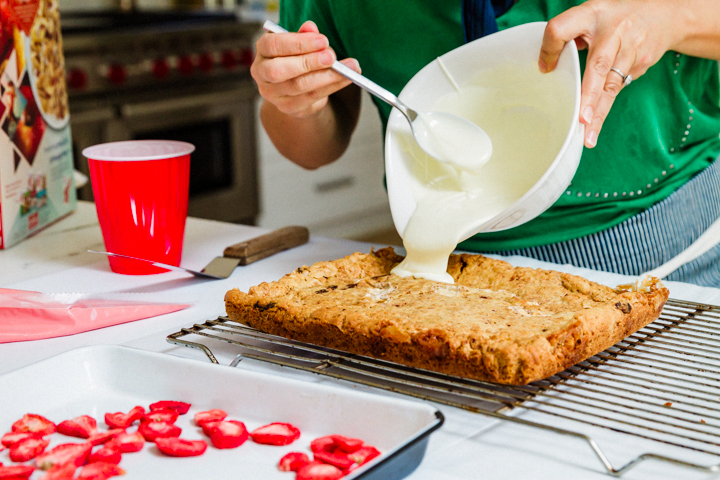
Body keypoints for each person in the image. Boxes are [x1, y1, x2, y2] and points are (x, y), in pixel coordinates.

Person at [250, 0, 720, 287]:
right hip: (452, 273)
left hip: (677, 257)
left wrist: (670, 18)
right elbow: (313, 149)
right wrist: (294, 101)